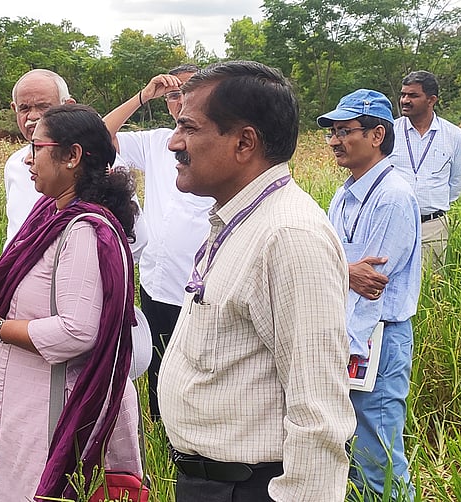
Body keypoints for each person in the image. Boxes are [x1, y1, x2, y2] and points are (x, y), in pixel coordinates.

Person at [158, 60, 354, 501]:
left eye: (188, 128)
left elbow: (318, 409)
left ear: (245, 142)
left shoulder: (288, 236)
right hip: (213, 483)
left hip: (250, 488)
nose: (174, 143)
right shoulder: (240, 220)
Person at [0, 104, 143, 500]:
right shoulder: (51, 213)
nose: (26, 158)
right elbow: (46, 287)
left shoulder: (85, 231)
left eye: (37, 146)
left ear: (72, 156)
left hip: (55, 405)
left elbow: (77, 331)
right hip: (30, 396)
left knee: (36, 488)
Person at [318, 89, 423, 500]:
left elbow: (371, 282)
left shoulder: (392, 196)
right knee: (352, 450)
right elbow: (338, 265)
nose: (334, 141)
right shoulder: (346, 193)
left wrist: (339, 272)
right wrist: (343, 270)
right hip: (348, 335)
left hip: (374, 337)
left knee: (378, 452)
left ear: (377, 135)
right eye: (332, 133)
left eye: (345, 131)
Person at [102, 64, 214, 422]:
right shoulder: (157, 141)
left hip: (203, 285)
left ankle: (193, 437)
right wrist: (141, 97)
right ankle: (162, 439)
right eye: (173, 95)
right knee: (158, 366)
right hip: (157, 281)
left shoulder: (218, 143)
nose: (180, 101)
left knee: (198, 371)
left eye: (187, 91)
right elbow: (100, 137)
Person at [391, 70, 461, 271]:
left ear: (431, 100)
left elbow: (455, 183)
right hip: (393, 224)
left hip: (432, 227)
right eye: (403, 94)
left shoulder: (454, 136)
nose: (405, 100)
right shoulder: (388, 132)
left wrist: (430, 204)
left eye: (413, 95)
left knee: (431, 287)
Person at [3, 69, 76, 247]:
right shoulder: (14, 164)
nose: (33, 116)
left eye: (44, 107)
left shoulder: (95, 161)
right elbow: (16, 237)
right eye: (25, 108)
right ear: (14, 109)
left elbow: (131, 239)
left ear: (68, 105)